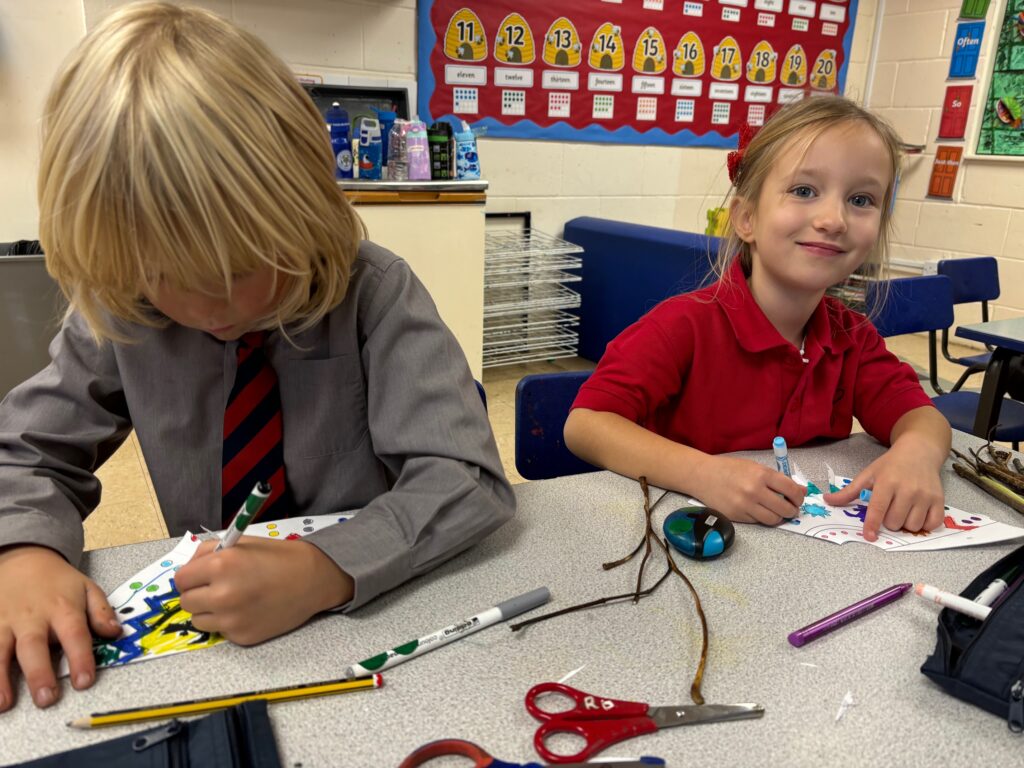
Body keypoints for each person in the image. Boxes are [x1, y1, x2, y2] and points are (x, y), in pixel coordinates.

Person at [0, 2, 514, 713]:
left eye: (240, 267)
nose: (210, 310)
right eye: (163, 280)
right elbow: (25, 453)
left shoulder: (376, 292)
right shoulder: (123, 306)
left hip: (377, 629)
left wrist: (328, 568)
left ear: (304, 208)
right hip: (224, 650)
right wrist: (25, 553)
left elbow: (465, 479)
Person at [564, 96, 951, 544]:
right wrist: (702, 473)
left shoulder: (852, 337)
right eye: (804, 190)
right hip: (691, 545)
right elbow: (586, 424)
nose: (833, 219)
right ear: (747, 218)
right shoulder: (684, 325)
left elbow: (920, 416)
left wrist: (918, 453)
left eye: (861, 199)